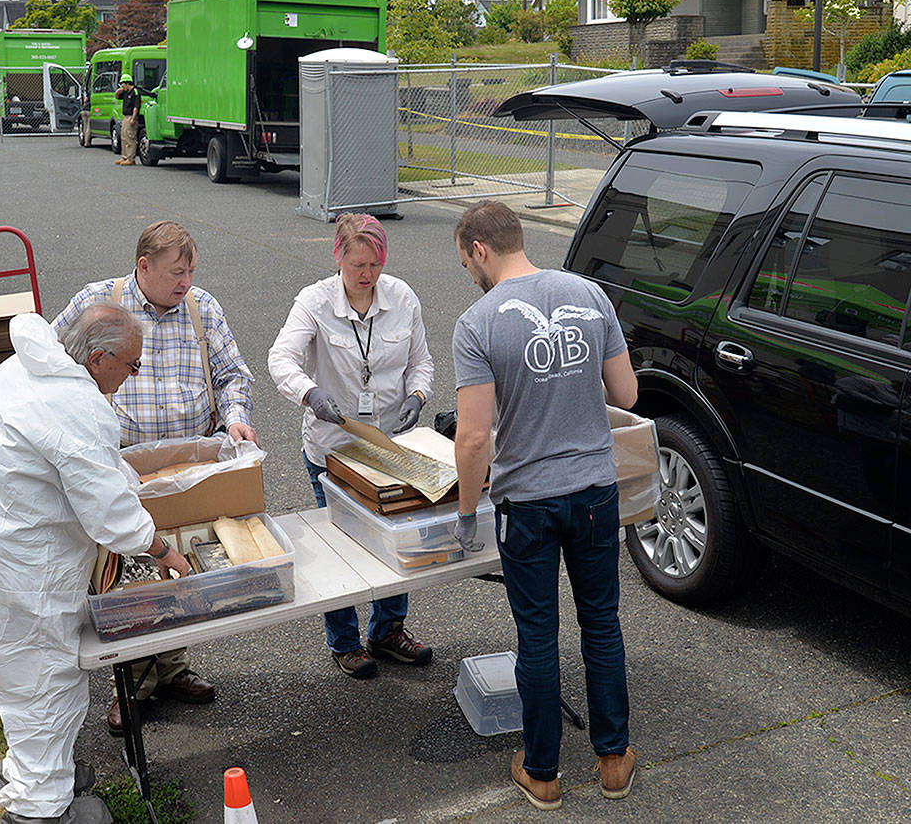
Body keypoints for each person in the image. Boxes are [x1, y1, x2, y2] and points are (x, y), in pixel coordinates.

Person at [0, 305, 191, 824]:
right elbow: (110, 513)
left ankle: (37, 768)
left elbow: (84, 465)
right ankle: (38, 806)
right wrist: (163, 551)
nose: (132, 377)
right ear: (99, 357)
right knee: (45, 680)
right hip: (28, 568)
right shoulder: (75, 404)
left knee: (19, 675)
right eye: (131, 366)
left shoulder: (18, 371)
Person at [450, 201, 639, 812]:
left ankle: (543, 773)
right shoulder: (591, 295)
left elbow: (472, 438)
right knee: (601, 623)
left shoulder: (477, 323)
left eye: (466, 262)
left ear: (480, 249)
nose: (469, 273)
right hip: (594, 491)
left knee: (537, 636)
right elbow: (626, 392)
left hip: (526, 501)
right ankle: (614, 760)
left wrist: (465, 514)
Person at [52, 219, 256, 735]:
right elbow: (53, 367)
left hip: (187, 468)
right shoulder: (98, 303)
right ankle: (131, 686)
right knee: (126, 576)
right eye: (175, 273)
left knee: (180, 563)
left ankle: (171, 668)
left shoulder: (202, 307)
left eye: (191, 272)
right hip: (118, 465)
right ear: (143, 266)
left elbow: (233, 374)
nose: (185, 282)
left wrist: (235, 416)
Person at [267, 213, 435, 678]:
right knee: (339, 543)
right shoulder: (315, 301)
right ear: (338, 257)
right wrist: (309, 393)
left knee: (396, 533)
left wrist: (418, 395)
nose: (367, 275)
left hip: (387, 443)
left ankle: (388, 630)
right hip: (333, 447)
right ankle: (344, 641)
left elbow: (421, 362)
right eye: (358, 264)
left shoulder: (402, 297)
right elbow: (280, 358)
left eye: (375, 265)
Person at [113, 73, 139, 166]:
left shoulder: (135, 92)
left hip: (131, 116)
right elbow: (117, 97)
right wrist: (118, 91)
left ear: (127, 83)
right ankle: (124, 157)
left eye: (123, 84)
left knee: (130, 137)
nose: (122, 86)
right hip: (125, 117)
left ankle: (131, 159)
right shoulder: (125, 92)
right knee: (124, 137)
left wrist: (133, 118)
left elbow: (136, 107)